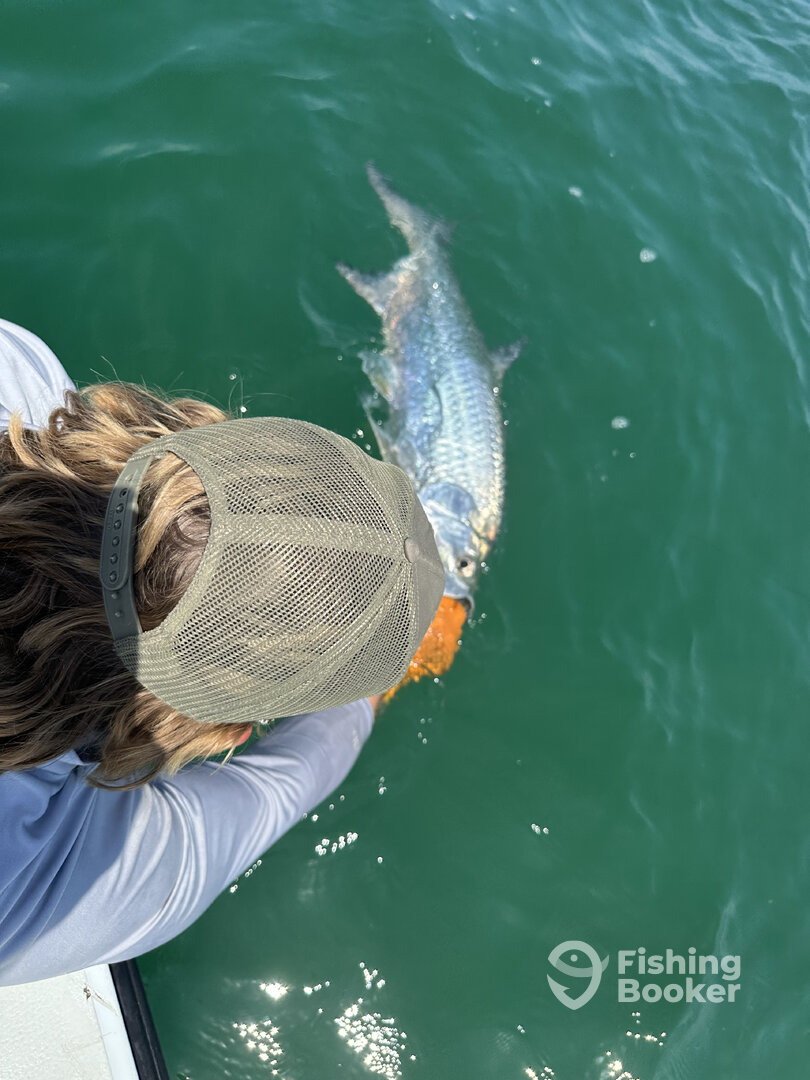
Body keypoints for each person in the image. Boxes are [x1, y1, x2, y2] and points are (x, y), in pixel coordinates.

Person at [0, 317, 444, 986]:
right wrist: (383, 680)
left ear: (182, 427)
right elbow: (285, 782)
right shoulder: (34, 881)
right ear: (227, 729)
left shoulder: (19, 370)